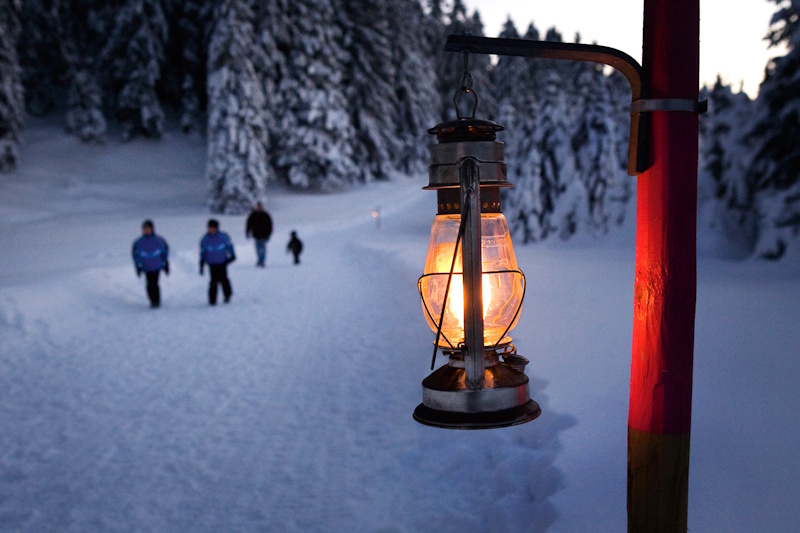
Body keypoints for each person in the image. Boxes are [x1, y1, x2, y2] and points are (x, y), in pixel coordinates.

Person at [132, 219, 169, 308]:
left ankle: (156, 301)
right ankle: (152, 300)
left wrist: (166, 264)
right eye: (145, 229)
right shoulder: (139, 242)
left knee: (155, 283)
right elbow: (135, 255)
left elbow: (165, 252)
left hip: (156, 266)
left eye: (148, 229)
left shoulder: (159, 240)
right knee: (149, 284)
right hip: (146, 267)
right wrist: (137, 266)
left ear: (152, 229)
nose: (147, 230)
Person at [199, 219, 236, 305]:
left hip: (222, 262)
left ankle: (227, 295)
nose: (211, 229)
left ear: (216, 228)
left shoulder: (222, 237)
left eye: (212, 228)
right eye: (209, 228)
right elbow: (203, 252)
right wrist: (202, 262)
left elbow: (229, 246)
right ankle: (212, 299)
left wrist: (232, 255)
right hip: (212, 264)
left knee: (223, 279)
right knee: (213, 281)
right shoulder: (205, 239)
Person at [245, 201, 273, 267]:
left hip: (264, 235)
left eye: (259, 207)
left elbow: (269, 225)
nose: (258, 208)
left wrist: (268, 234)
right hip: (256, 235)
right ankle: (259, 260)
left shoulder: (265, 215)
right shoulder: (252, 215)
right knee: (257, 249)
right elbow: (249, 225)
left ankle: (262, 261)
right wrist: (247, 232)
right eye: (257, 207)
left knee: (262, 249)